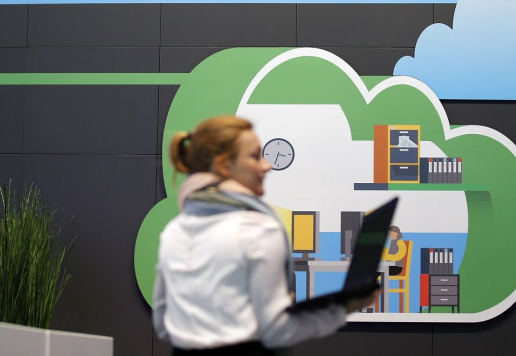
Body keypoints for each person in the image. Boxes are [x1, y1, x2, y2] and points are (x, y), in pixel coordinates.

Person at [153, 115, 374, 355]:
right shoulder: (259, 230)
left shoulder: (173, 232)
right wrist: (339, 312)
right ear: (223, 165)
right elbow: (276, 331)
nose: (267, 165)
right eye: (255, 155)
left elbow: (163, 325)